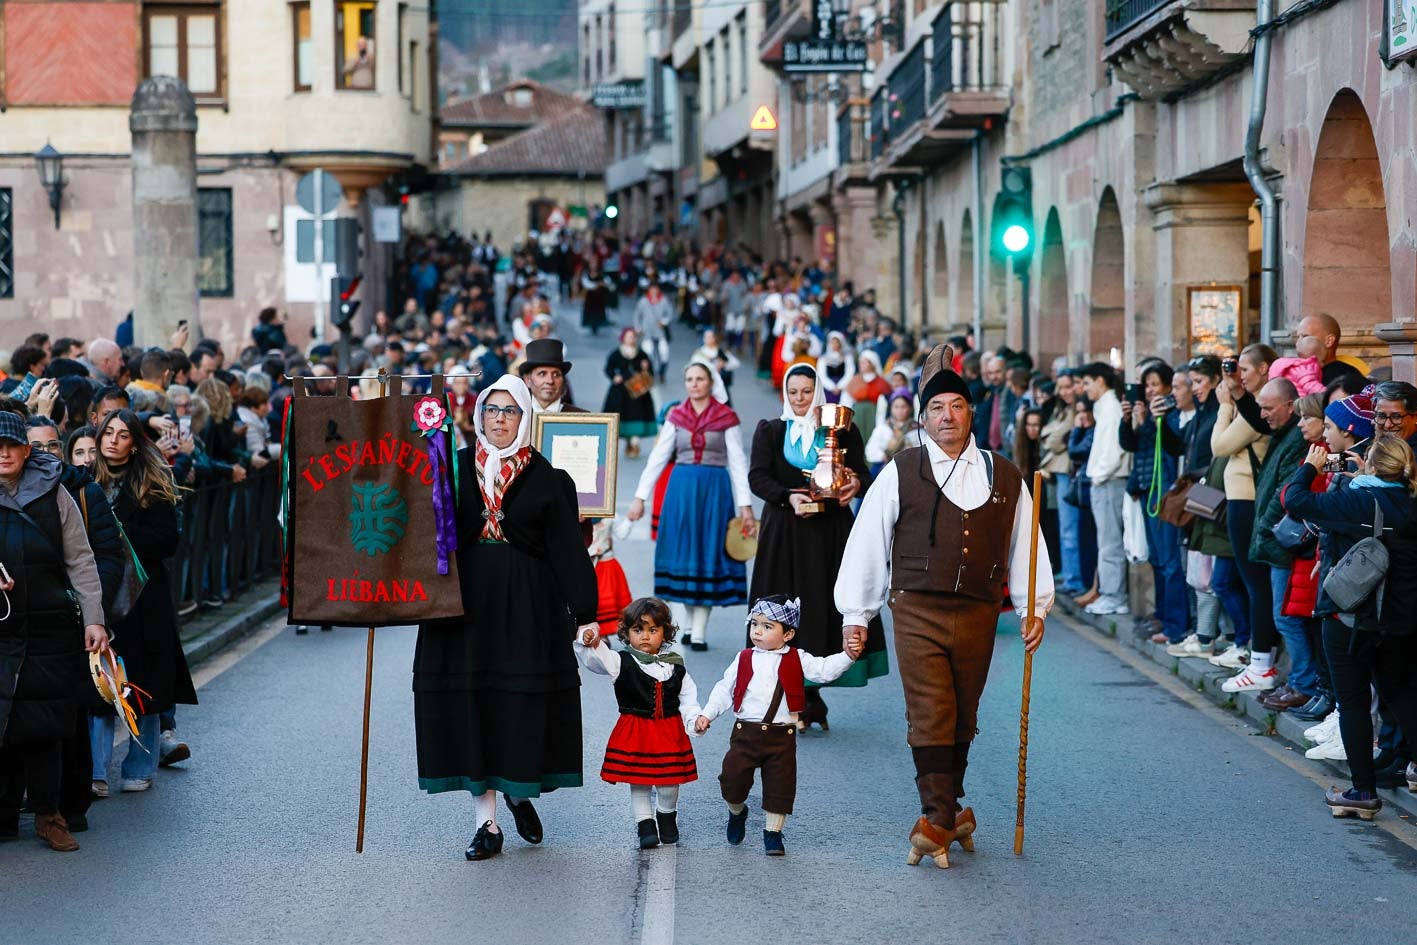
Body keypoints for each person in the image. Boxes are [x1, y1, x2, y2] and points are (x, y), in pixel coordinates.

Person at [835, 344, 1050, 868]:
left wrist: (1033, 607)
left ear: (971, 412)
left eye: (955, 405)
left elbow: (1027, 545)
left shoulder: (1005, 476)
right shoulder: (901, 470)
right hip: (916, 608)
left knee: (964, 714)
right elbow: (867, 540)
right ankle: (935, 817)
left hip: (978, 609)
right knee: (931, 709)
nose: (946, 416)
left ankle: (950, 813)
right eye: (936, 408)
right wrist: (856, 615)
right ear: (924, 418)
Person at [413, 374, 598, 862]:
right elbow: (422, 534)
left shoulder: (549, 480)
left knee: (513, 707)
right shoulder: (450, 471)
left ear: (525, 416)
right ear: (478, 416)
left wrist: (584, 613)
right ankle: (487, 824)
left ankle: (516, 790)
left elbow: (567, 552)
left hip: (527, 608)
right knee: (473, 705)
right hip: (465, 608)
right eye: (491, 410)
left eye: (509, 411)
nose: (499, 419)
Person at [1280, 434, 1417, 820]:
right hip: (1401, 620)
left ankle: (1362, 792)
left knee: (1353, 703)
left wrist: (1312, 465)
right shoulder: (1408, 502)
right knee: (1401, 692)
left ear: (1372, 464)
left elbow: (1294, 499)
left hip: (1350, 618)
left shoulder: (1355, 499)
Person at [748, 364, 886, 732]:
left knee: (821, 607)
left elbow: (863, 472)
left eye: (806, 392)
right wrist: (786, 497)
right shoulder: (771, 431)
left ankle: (813, 694)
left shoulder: (841, 429)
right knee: (784, 607)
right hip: (784, 532)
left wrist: (854, 483)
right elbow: (758, 477)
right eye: (793, 392)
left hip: (829, 533)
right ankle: (796, 696)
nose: (799, 399)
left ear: (817, 391)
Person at [0, 413, 108, 852]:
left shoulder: (54, 492)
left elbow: (81, 560)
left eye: (11, 446)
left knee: (46, 727)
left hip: (48, 628)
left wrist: (94, 618)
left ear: (27, 450)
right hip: (3, 628)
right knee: (2, 726)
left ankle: (51, 815)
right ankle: (4, 819)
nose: (4, 454)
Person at [694, 595, 861, 856]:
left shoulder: (797, 658)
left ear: (788, 634)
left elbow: (824, 670)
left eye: (768, 626)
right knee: (731, 781)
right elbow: (724, 689)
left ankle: (773, 833)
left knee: (780, 787)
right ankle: (737, 811)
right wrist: (707, 715)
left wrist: (847, 656)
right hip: (745, 734)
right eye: (755, 624)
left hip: (781, 737)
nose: (758, 631)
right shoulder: (744, 657)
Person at [89, 409, 196, 794]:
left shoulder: (151, 483)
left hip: (142, 598)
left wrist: (119, 529)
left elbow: (167, 541)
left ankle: (139, 765)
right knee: (98, 683)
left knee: (143, 686)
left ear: (135, 443)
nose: (113, 441)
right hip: (97, 593)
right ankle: (95, 772)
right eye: (108, 433)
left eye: (122, 435)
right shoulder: (83, 482)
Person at [628, 361, 756, 650]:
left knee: (707, 555)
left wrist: (745, 506)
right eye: (689, 379)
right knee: (683, 555)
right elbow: (658, 458)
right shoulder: (677, 416)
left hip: (714, 492)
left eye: (700, 379)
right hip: (681, 492)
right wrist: (640, 497)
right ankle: (686, 622)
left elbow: (737, 463)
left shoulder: (727, 417)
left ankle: (698, 630)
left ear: (711, 383)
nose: (694, 384)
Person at [573, 598, 701, 849]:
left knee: (669, 781)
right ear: (627, 632)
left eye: (653, 630)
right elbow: (596, 659)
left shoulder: (674, 664)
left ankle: (667, 816)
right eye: (638, 630)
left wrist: (695, 719)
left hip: (669, 732)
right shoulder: (621, 661)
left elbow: (688, 697)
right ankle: (645, 826)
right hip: (636, 732)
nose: (645, 636)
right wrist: (588, 638)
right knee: (639, 782)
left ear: (665, 632)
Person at [1244, 379, 1321, 705]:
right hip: (1282, 540)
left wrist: (1265, 527)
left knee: (1287, 617)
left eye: (1268, 407)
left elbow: (1288, 493)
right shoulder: (1287, 437)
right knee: (1286, 616)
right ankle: (1300, 683)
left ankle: (1304, 685)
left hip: (1289, 542)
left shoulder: (1307, 446)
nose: (1262, 415)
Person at [1207, 345, 1277, 673]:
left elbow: (1220, 446)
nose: (1239, 375)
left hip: (1248, 499)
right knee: (1247, 580)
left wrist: (1224, 408)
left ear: (1265, 369)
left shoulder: (1261, 405)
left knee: (1254, 581)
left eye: (1245, 369)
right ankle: (1253, 650)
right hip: (1239, 497)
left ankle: (1259, 655)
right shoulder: (1249, 403)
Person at [1078, 363, 1131, 616]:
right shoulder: (1105, 407)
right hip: (1105, 481)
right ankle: (1110, 594)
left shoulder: (1110, 408)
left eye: (1087, 382)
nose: (1084, 388)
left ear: (1101, 380)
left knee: (1110, 543)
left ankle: (1114, 596)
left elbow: (1114, 449)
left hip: (1109, 482)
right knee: (1106, 542)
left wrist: (1098, 476)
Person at [603, 328, 658, 458]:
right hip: (620, 392)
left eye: (633, 336)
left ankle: (634, 442)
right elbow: (608, 369)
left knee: (637, 414)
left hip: (637, 392)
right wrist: (614, 377)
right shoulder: (616, 354)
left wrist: (646, 368)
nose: (631, 339)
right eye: (628, 336)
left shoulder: (642, 354)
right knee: (622, 415)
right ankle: (628, 440)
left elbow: (650, 373)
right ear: (623, 338)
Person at [865, 388, 925, 472]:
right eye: (896, 407)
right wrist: (882, 456)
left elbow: (924, 451)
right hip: (885, 467)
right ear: (891, 408)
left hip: (911, 468)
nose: (899, 410)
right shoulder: (883, 428)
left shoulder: (917, 430)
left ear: (910, 408)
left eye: (903, 407)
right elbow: (870, 449)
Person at [519, 339, 581, 415]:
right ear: (527, 380)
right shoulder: (517, 417)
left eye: (556, 375)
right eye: (542, 374)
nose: (550, 381)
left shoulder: (581, 419)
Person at [841, 350, 891, 446]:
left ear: (872, 364)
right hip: (857, 415)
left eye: (864, 362)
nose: (861, 364)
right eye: (860, 362)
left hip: (874, 415)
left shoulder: (882, 383)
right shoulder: (855, 380)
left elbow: (885, 403)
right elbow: (846, 400)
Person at [634, 284, 674, 382]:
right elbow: (637, 315)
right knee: (648, 354)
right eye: (652, 290)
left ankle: (662, 372)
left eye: (656, 289)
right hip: (647, 331)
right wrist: (638, 327)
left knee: (664, 354)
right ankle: (649, 374)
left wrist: (664, 321)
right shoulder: (643, 301)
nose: (654, 292)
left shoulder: (664, 300)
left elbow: (669, 313)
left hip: (660, 332)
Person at [580, 260, 614, 335]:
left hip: (599, 297)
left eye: (595, 263)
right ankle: (591, 325)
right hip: (590, 297)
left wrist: (602, 284)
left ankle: (598, 324)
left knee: (599, 311)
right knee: (591, 311)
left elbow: (608, 282)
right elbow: (586, 284)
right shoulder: (587, 274)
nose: (593, 265)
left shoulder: (602, 274)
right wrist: (596, 285)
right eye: (592, 263)